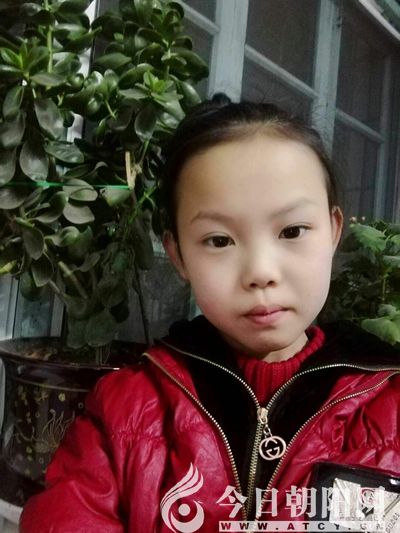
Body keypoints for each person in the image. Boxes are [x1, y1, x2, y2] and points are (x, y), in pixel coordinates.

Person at [20, 95, 400, 532]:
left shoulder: (389, 406)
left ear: (333, 231)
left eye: (292, 230)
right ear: (178, 254)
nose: (260, 272)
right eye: (219, 240)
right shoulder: (125, 410)